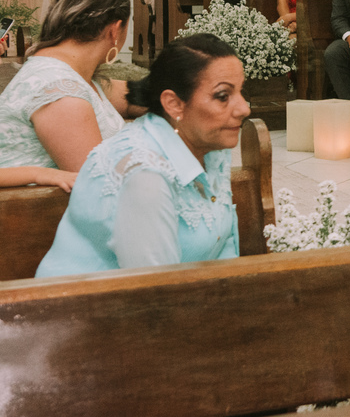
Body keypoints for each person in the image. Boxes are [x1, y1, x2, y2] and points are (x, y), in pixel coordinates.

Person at [36, 34, 249, 277]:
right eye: (223, 96)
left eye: (241, 91)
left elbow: (224, 243)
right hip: (90, 298)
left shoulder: (210, 145)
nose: (244, 108)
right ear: (174, 104)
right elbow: (156, 288)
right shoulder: (146, 177)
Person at [0, 0, 137, 172]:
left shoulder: (65, 72)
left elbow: (129, 94)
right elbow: (98, 181)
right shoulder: (60, 92)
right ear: (115, 30)